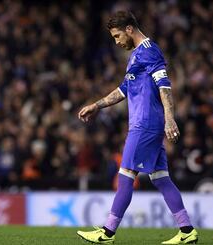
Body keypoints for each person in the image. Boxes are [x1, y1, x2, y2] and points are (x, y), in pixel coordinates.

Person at [76, 11, 198, 244]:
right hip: (146, 124)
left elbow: (165, 85)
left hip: (145, 125)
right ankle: (186, 230)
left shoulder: (149, 50)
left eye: (117, 36)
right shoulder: (136, 56)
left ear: (129, 29)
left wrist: (169, 118)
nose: (117, 41)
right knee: (161, 177)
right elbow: (123, 90)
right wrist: (97, 105)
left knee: (125, 175)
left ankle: (107, 232)